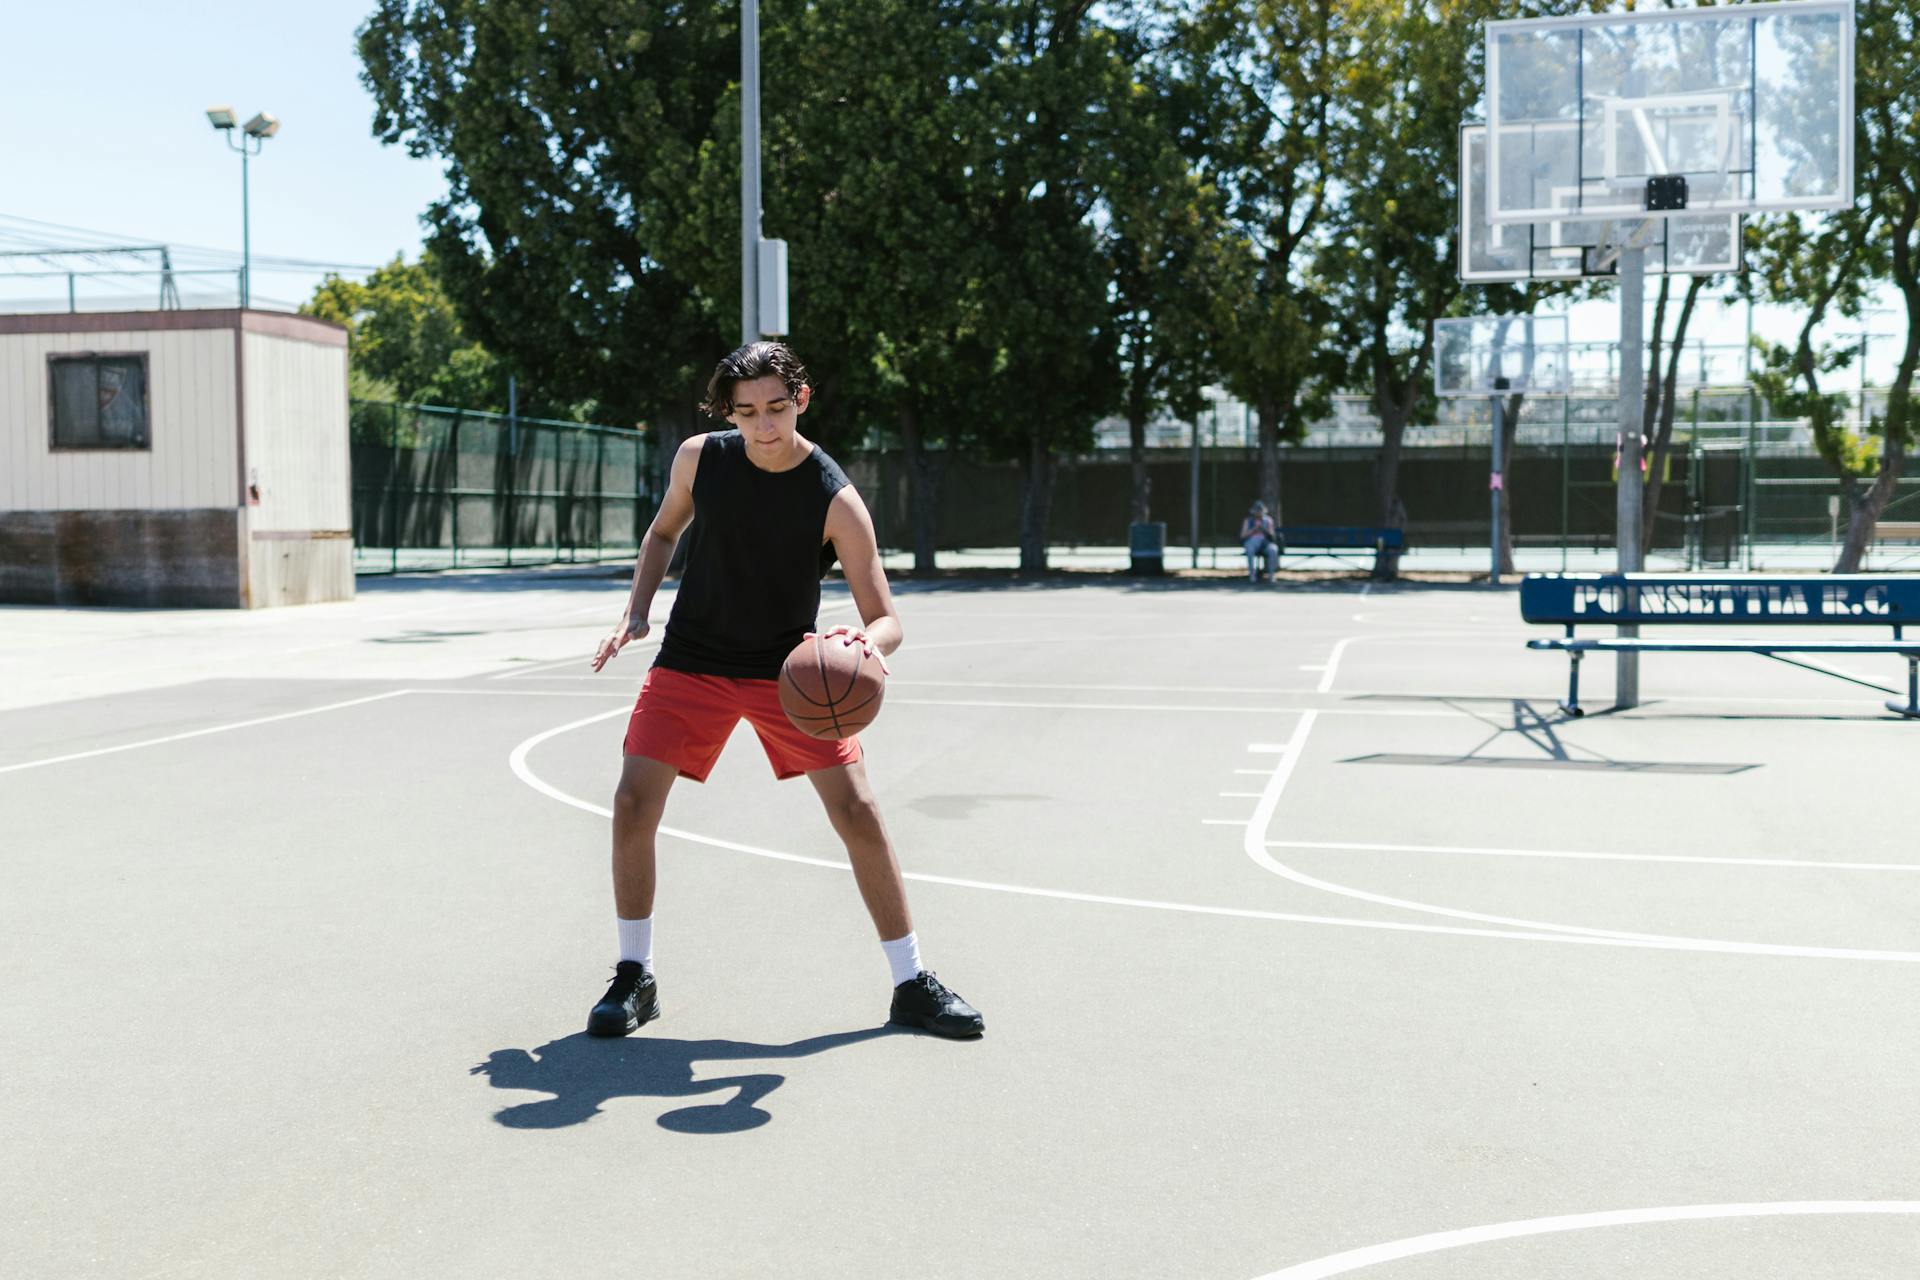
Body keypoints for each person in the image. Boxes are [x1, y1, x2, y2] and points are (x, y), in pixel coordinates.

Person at [585, 341, 983, 1040]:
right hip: (693, 660)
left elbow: (886, 619)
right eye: (746, 413)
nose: (763, 426)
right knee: (630, 802)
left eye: (776, 408)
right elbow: (661, 534)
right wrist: (637, 612)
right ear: (728, 413)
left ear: (801, 399)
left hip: (788, 675)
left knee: (858, 811)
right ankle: (634, 975)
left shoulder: (834, 497)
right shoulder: (698, 459)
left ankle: (911, 983)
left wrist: (865, 645)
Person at [1240, 501, 1280, 582]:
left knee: (1273, 549)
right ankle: (1252, 574)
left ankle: (1271, 574)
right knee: (1250, 549)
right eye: (1257, 511)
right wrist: (1254, 529)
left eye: (1260, 511)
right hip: (1252, 541)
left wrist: (1263, 529)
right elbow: (1242, 535)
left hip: (1265, 542)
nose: (1258, 513)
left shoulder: (1268, 520)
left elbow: (1272, 535)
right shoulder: (1248, 521)